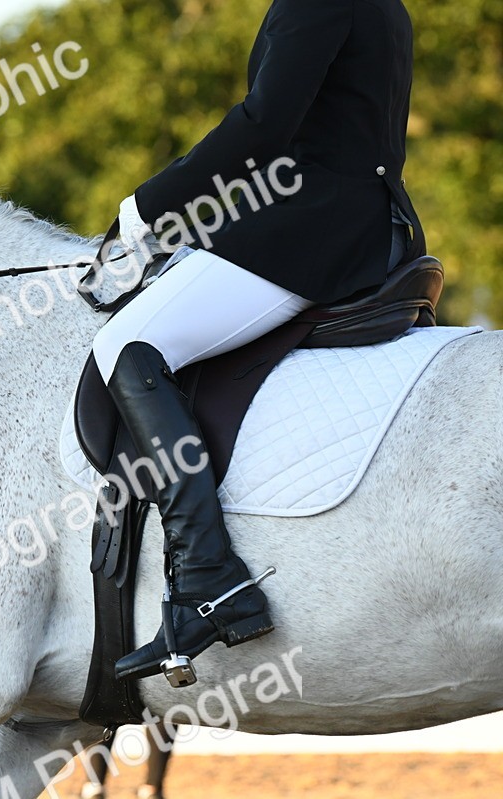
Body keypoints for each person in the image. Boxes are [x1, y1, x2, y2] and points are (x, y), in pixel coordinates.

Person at [92, 0, 426, 682]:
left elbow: (267, 125)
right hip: (360, 220)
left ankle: (206, 577)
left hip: (314, 231)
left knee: (126, 346)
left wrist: (151, 206)